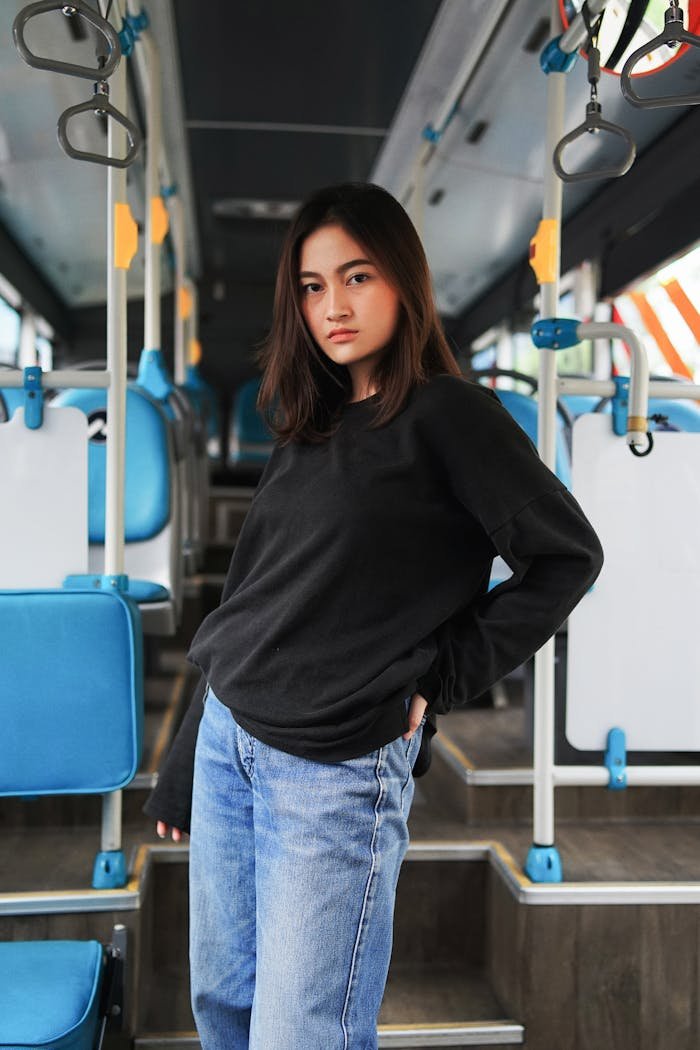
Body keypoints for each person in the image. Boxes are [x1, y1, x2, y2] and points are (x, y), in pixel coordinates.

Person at [144, 181, 604, 1050]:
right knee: (224, 1014)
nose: (334, 307)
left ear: (402, 279)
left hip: (336, 770)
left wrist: (441, 675)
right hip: (229, 746)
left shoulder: (451, 417)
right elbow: (249, 603)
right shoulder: (306, 426)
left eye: (356, 277)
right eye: (313, 288)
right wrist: (183, 752)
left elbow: (567, 558)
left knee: (298, 1037)